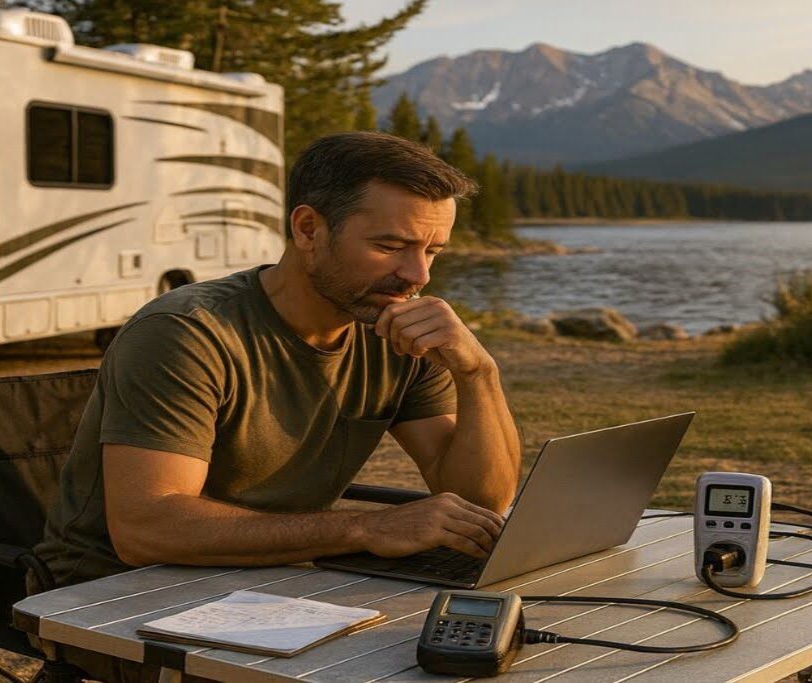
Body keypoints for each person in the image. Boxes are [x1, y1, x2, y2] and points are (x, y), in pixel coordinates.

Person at [33, 131, 522, 593]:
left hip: (274, 580)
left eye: (433, 251)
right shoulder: (187, 333)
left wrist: (478, 373)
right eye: (389, 246)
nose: (417, 275)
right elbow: (146, 530)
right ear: (308, 229)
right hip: (114, 590)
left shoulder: (394, 332)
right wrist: (365, 526)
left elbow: (480, 506)